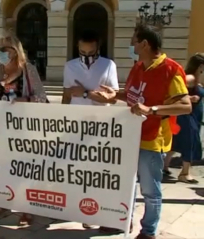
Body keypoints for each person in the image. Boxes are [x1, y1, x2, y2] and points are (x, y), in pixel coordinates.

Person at [95, 24, 192, 239]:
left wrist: (153, 110)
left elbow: (185, 106)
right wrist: (115, 95)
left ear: (145, 44)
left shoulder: (171, 69)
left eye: (134, 42)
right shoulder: (138, 66)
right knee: (124, 185)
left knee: (150, 191)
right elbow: (132, 95)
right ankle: (121, 221)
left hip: (152, 139)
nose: (131, 45)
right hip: (130, 137)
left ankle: (148, 232)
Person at [0, 30, 48, 226]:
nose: (0, 53)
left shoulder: (28, 70)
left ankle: (27, 208)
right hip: (0, 130)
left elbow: (42, 98)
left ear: (15, 51)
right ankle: (2, 200)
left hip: (24, 130)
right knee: (1, 167)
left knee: (25, 170)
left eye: (4, 49)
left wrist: (25, 99)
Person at [62, 30, 119, 230]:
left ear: (98, 48)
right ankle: (77, 206)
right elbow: (67, 94)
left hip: (101, 125)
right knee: (76, 169)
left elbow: (112, 96)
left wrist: (86, 93)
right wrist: (62, 118)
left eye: (90, 51)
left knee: (96, 171)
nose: (86, 55)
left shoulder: (108, 65)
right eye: (82, 51)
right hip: (76, 124)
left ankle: (93, 210)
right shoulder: (70, 66)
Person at [163, 53, 204, 184]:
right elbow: (174, 89)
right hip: (187, 116)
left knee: (177, 142)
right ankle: (184, 173)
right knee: (190, 142)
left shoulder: (197, 78)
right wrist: (188, 98)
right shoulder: (190, 78)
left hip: (193, 115)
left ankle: (164, 166)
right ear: (200, 66)